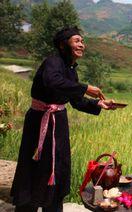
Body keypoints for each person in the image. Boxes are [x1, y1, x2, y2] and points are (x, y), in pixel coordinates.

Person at [11, 26, 116, 212]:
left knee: (56, 166)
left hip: (58, 123)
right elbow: (52, 81)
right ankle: (27, 206)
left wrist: (99, 104)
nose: (81, 45)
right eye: (77, 41)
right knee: (33, 165)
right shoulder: (53, 62)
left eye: (82, 41)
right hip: (39, 122)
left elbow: (75, 101)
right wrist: (84, 87)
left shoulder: (70, 70)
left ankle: (53, 206)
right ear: (62, 45)